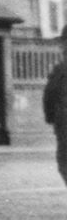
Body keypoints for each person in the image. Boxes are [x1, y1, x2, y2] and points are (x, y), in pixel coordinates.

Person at [43, 26, 67, 185]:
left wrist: (51, 117)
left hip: (65, 126)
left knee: (64, 164)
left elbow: (49, 96)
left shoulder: (61, 70)